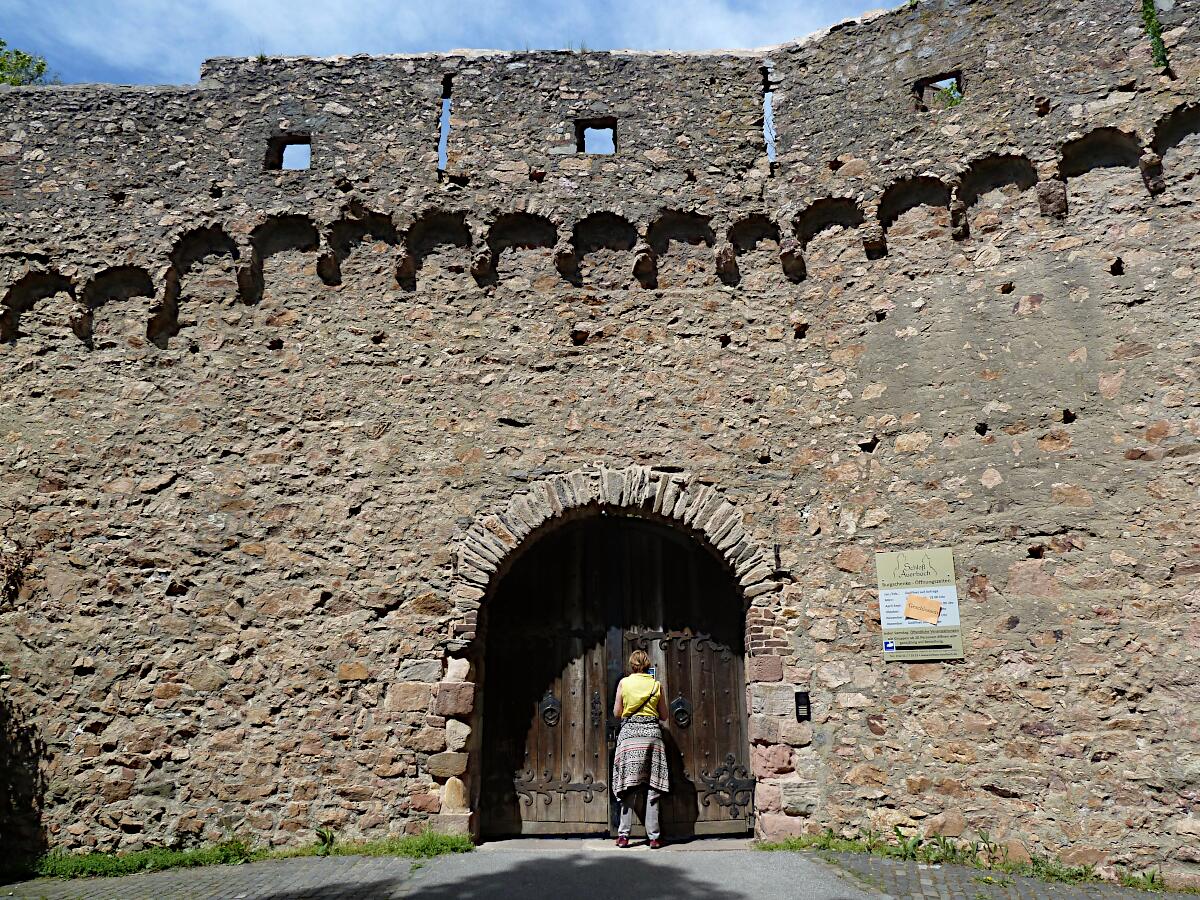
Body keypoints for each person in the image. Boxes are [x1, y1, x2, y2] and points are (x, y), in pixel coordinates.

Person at [611, 649, 669, 848]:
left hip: (630, 738)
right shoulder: (656, 685)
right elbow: (664, 716)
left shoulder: (624, 683)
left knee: (628, 788)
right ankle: (653, 837)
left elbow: (617, 712)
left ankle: (623, 836)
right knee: (653, 787)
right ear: (647, 664)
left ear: (632, 664)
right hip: (652, 737)